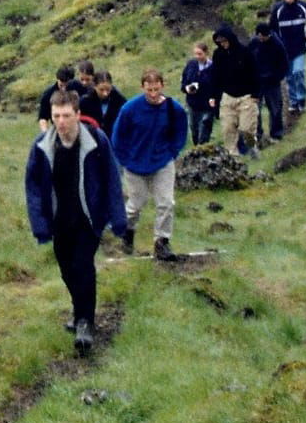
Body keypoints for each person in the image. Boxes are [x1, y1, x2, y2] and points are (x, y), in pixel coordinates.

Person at [25, 87, 124, 353]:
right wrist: (40, 224)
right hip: (60, 221)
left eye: (66, 115)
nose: (61, 122)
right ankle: (78, 310)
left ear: (78, 114)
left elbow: (112, 178)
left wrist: (117, 218)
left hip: (88, 219)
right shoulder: (42, 146)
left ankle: (85, 323)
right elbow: (33, 187)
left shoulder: (96, 140)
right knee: (67, 270)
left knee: (83, 266)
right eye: (56, 116)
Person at [111, 68, 188, 260]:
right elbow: (118, 137)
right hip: (135, 163)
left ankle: (162, 242)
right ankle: (127, 234)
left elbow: (180, 133)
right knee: (136, 203)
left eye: (156, 89)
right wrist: (125, 159)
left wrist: (172, 152)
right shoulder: (130, 109)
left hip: (162, 162)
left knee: (166, 202)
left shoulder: (173, 109)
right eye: (149, 90)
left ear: (162, 86)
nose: (153, 94)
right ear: (142, 88)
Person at [268, 0, 306, 114]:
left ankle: (301, 99)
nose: (289, 0)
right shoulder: (278, 10)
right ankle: (293, 102)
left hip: (300, 47)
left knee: (298, 72)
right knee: (289, 77)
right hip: (284, 50)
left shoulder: (304, 7)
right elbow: (272, 29)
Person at [210, 25, 260, 156]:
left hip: (246, 96)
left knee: (246, 129)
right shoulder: (217, 55)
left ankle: (252, 147)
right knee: (227, 129)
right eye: (219, 42)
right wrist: (214, 97)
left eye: (224, 41)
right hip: (227, 97)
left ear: (230, 39)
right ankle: (233, 158)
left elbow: (255, 72)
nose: (223, 44)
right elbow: (216, 77)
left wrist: (256, 94)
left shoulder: (244, 51)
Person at [251, 14, 289, 146]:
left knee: (275, 108)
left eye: (263, 36)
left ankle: (276, 134)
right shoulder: (254, 43)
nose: (261, 38)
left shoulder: (277, 45)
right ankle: (258, 135)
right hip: (257, 82)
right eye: (259, 36)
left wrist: (277, 77)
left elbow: (284, 63)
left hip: (272, 82)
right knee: (255, 110)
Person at [180, 42, 216, 146]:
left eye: (200, 54)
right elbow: (183, 82)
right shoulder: (191, 64)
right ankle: (197, 150)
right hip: (193, 103)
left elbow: (217, 85)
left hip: (207, 104)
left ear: (206, 53)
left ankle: (203, 148)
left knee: (204, 128)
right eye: (195, 54)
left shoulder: (213, 67)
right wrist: (187, 88)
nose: (197, 57)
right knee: (194, 129)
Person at [88, 69, 124, 137]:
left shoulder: (119, 101)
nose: (105, 93)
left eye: (108, 89)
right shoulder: (85, 102)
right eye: (101, 90)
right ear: (95, 86)